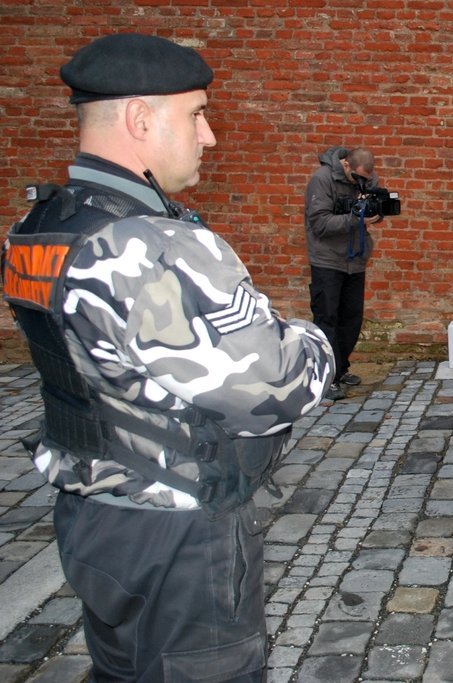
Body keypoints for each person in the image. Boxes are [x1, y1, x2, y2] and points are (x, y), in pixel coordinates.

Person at [1, 33, 334, 681]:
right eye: (197, 114)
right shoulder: (153, 245)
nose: (208, 136)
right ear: (140, 119)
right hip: (177, 536)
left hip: (94, 518)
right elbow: (274, 381)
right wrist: (317, 340)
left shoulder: (39, 228)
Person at [304, 146, 384, 401]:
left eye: (367, 179)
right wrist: (355, 218)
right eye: (358, 178)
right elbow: (319, 224)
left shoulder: (368, 180)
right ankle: (326, 379)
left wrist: (376, 211)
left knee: (351, 319)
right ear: (346, 165)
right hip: (327, 259)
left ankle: (340, 369)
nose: (362, 183)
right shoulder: (322, 179)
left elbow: (374, 210)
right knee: (327, 319)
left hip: (355, 259)